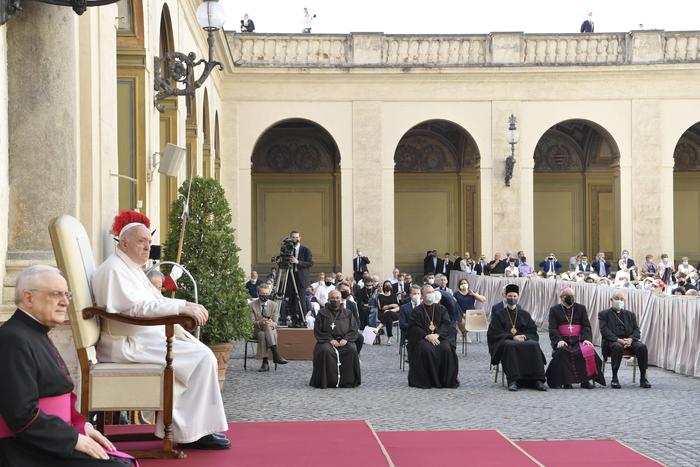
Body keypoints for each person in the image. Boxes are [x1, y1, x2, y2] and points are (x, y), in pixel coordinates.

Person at [92, 211, 229, 449]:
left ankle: (190, 429)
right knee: (202, 357)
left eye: (149, 242)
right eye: (141, 241)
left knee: (200, 353)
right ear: (123, 243)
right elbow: (137, 309)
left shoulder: (131, 268)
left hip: (142, 336)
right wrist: (183, 308)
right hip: (126, 344)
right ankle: (190, 433)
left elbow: (154, 301)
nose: (148, 247)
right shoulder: (114, 269)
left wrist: (185, 305)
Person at [0, 265, 136, 466]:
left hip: (50, 439)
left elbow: (58, 395)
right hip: (26, 450)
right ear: (29, 298)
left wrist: (83, 427)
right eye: (56, 294)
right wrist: (72, 438)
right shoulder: (13, 338)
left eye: (67, 295)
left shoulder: (35, 332)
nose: (65, 302)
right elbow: (21, 415)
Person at [487, 284, 547, 392]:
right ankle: (513, 380)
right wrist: (512, 337)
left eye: (514, 296)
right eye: (510, 296)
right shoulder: (499, 314)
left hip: (524, 341)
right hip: (507, 341)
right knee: (510, 345)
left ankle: (537, 380)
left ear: (518, 296)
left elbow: (532, 330)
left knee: (533, 344)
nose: (512, 298)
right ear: (505, 296)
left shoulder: (525, 314)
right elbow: (494, 333)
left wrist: (525, 337)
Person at [545, 287, 606, 389]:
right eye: (567, 296)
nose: (570, 298)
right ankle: (566, 381)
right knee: (562, 352)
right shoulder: (554, 310)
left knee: (587, 350)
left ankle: (585, 381)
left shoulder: (581, 308)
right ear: (561, 298)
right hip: (563, 339)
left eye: (572, 296)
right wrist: (558, 340)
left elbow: (586, 325)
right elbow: (553, 328)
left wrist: (586, 339)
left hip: (579, 339)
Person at [406, 285, 459, 388]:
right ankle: (428, 380)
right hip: (422, 339)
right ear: (422, 295)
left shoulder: (441, 309)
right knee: (426, 349)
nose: (431, 294)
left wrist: (437, 334)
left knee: (446, 349)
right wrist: (426, 336)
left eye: (432, 292)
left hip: (439, 337)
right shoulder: (417, 311)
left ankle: (445, 380)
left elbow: (447, 324)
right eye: (428, 292)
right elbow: (413, 328)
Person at [598, 292, 651, 389]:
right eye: (617, 298)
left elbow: (636, 330)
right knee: (617, 347)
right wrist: (618, 340)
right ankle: (614, 378)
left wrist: (630, 339)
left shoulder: (630, 315)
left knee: (642, 347)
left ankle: (643, 378)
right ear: (611, 300)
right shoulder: (603, 314)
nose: (619, 301)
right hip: (612, 341)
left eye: (622, 299)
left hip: (629, 340)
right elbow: (604, 331)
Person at [309, 290, 361, 388]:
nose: (335, 300)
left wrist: (346, 339)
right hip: (327, 340)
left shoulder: (348, 313)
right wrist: (329, 339)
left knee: (351, 349)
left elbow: (354, 328)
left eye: (337, 298)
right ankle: (328, 381)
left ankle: (347, 381)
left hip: (344, 340)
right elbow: (318, 330)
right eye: (332, 298)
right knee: (325, 351)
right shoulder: (322, 313)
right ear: (328, 299)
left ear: (341, 299)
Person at [248, 284, 288, 372]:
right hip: (256, 330)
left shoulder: (274, 305)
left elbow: (275, 322)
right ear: (258, 293)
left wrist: (270, 323)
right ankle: (275, 354)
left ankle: (265, 363)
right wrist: (260, 322)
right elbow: (251, 322)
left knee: (264, 333)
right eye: (262, 293)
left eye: (266, 294)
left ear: (269, 293)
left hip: (270, 330)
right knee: (262, 330)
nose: (265, 295)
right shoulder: (252, 305)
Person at [286, 230, 313, 327]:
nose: (295, 239)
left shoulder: (305, 249)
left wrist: (298, 262)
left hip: (301, 278)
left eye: (297, 237)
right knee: (292, 299)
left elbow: (310, 263)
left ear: (300, 238)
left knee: (301, 299)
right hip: (291, 277)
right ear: (290, 238)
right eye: (293, 237)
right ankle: (294, 320)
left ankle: (302, 320)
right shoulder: (287, 249)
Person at [336, 282, 364, 355]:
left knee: (360, 338)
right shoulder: (334, 304)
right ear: (338, 291)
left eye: (348, 291)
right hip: (337, 330)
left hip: (350, 331)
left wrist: (351, 334)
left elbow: (356, 320)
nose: (346, 292)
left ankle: (356, 356)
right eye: (343, 290)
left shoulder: (352, 304)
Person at [377, 280, 400, 345]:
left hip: (394, 314)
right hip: (382, 314)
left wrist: (389, 310)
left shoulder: (395, 295)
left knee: (388, 313)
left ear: (391, 286)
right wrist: (392, 305)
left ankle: (378, 328)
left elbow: (398, 307)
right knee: (388, 318)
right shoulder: (380, 296)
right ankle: (389, 339)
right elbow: (382, 308)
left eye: (389, 285)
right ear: (384, 287)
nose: (387, 286)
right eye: (386, 285)